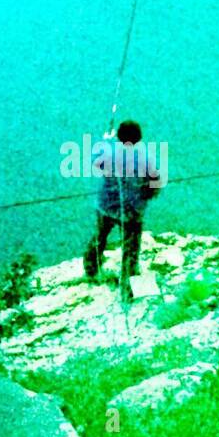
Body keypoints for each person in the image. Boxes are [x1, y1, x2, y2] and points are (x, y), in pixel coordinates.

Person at [83, 119, 162, 301]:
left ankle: (91, 270)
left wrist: (105, 140)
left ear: (119, 136)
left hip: (106, 206)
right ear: (138, 138)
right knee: (130, 249)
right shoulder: (145, 158)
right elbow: (155, 182)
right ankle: (129, 290)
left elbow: (95, 161)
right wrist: (146, 194)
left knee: (100, 237)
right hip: (131, 212)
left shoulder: (109, 152)